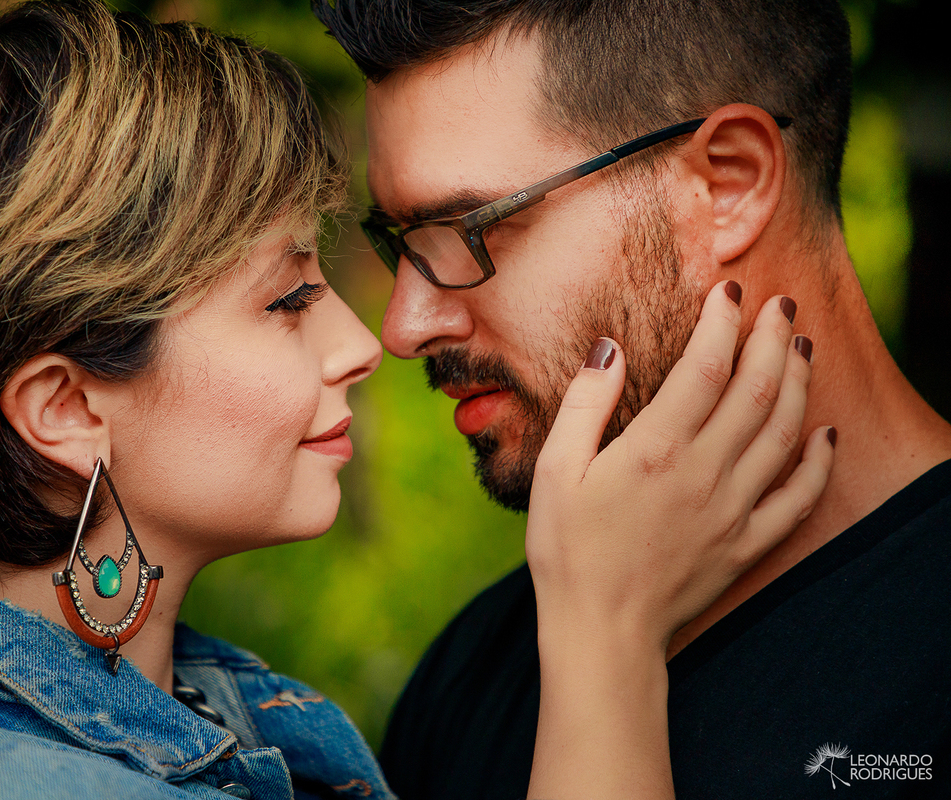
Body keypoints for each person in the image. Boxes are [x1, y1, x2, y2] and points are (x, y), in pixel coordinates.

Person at [0, 1, 831, 799]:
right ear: (68, 408)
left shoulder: (236, 722)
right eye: (287, 298)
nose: (372, 342)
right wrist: (605, 642)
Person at [310, 0, 951, 797]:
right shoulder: (469, 680)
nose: (404, 326)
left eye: (470, 228)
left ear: (730, 183)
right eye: (402, 243)